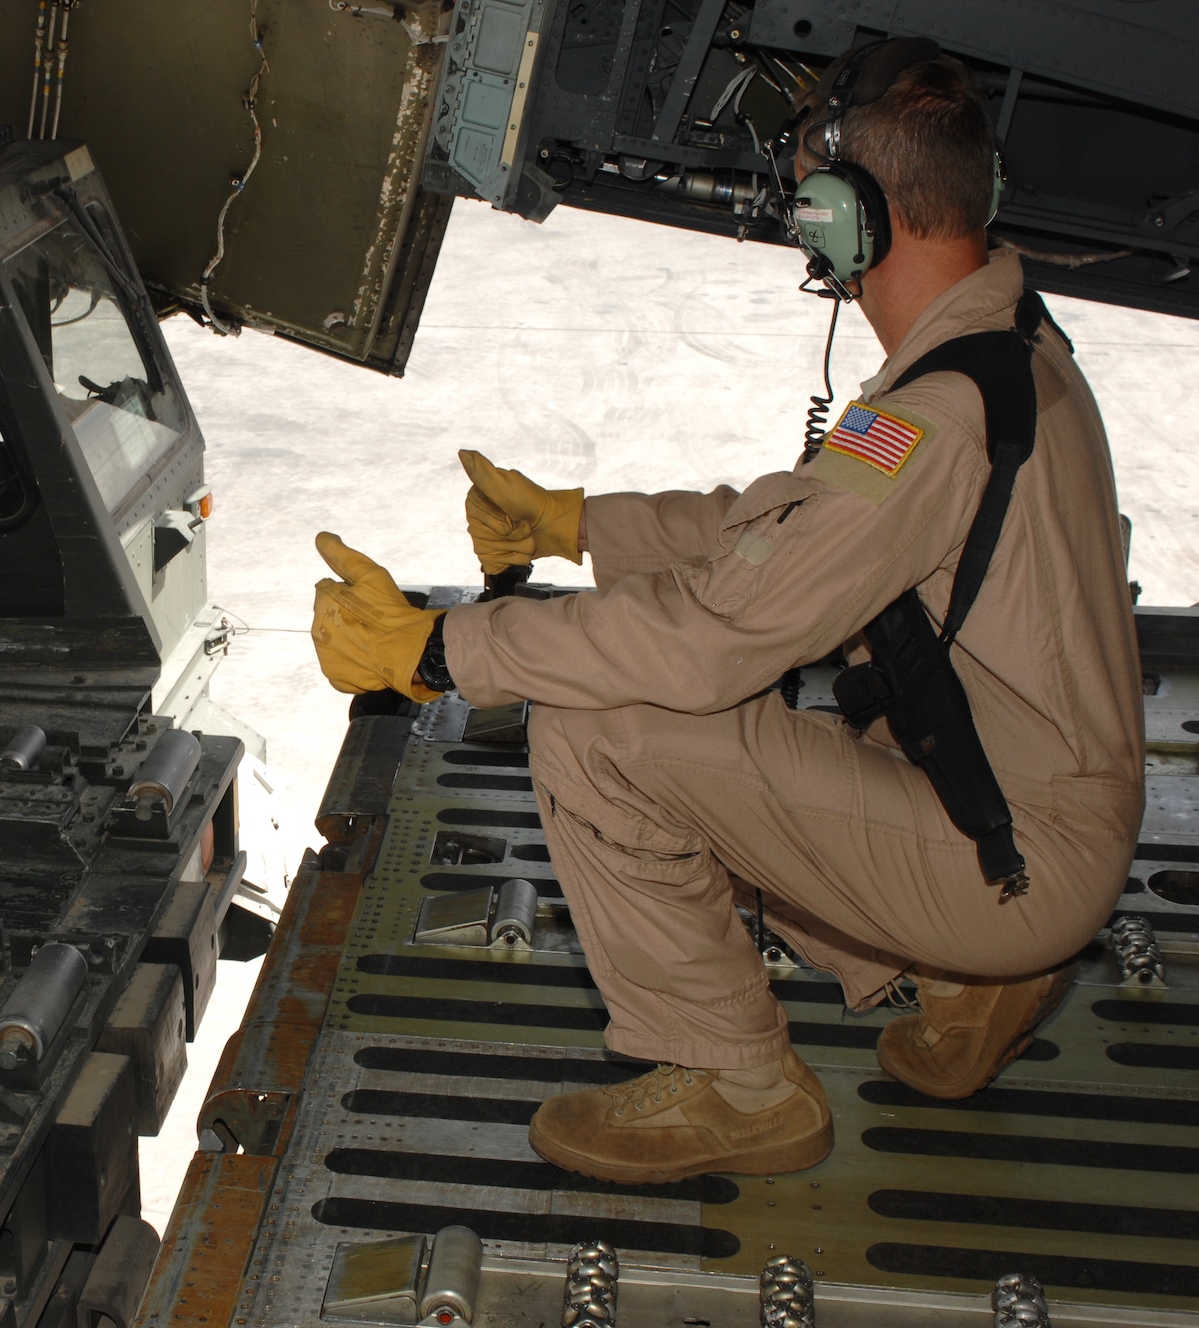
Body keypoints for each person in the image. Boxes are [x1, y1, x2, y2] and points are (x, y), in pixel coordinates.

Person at [308, 41, 1142, 1185]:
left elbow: (709, 641)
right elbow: (789, 526)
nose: (806, 233)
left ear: (856, 215)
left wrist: (444, 647)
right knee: (678, 679)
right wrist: (575, 524)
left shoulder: (932, 419)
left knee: (598, 728)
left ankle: (741, 1088)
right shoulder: (1001, 344)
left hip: (1014, 850)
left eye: (809, 202)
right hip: (1012, 796)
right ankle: (967, 978)